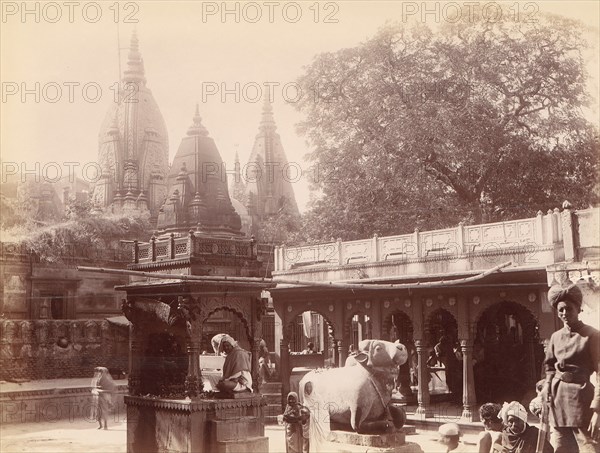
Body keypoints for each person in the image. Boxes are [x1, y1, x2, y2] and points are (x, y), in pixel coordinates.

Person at [542, 284, 600, 453]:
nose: (564, 314)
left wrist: (597, 409)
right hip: (558, 402)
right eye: (560, 310)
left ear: (579, 309)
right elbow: (550, 366)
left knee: (590, 448)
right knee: (562, 448)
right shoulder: (555, 337)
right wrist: (547, 385)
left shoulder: (593, 335)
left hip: (582, 403)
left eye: (569, 309)